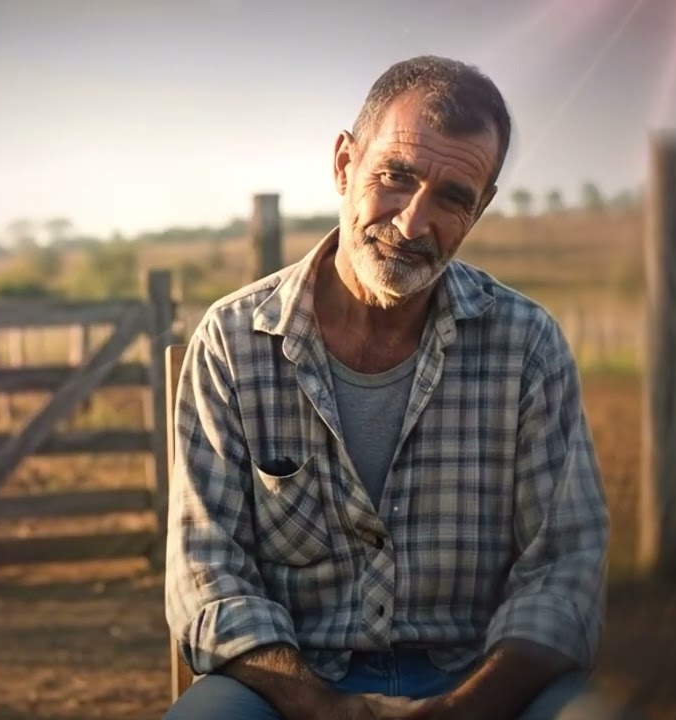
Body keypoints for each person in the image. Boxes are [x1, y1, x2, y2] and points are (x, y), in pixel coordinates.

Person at [163, 56, 613, 720]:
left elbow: (565, 574)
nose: (412, 224)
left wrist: (467, 709)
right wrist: (320, 706)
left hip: (481, 683)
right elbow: (208, 577)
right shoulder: (232, 341)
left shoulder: (527, 345)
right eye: (395, 178)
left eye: (453, 198)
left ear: (481, 207)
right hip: (291, 690)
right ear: (345, 164)